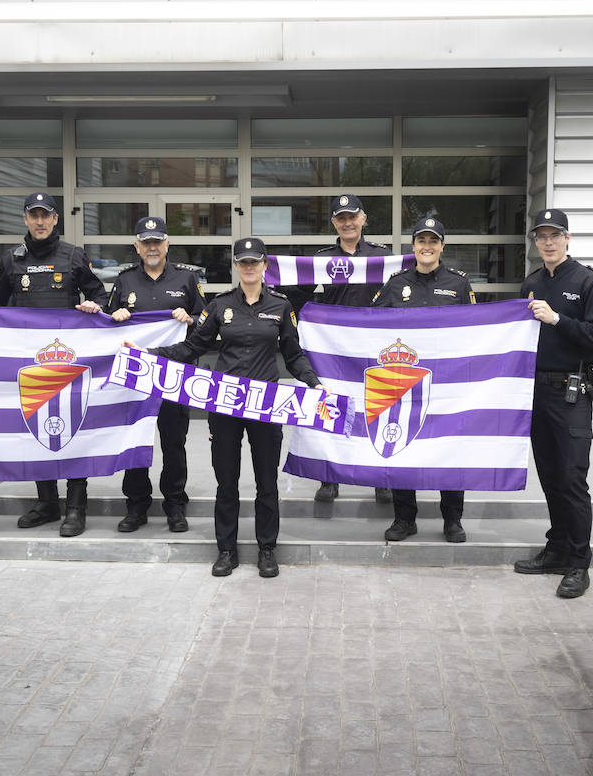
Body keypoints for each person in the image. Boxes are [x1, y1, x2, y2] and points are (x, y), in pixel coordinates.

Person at [139, 238, 326, 578]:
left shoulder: (281, 306)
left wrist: (314, 383)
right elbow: (192, 346)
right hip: (224, 404)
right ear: (237, 267)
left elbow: (294, 355)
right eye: (243, 262)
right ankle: (226, 549)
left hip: (266, 405)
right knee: (227, 482)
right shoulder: (220, 305)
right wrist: (148, 353)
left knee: (266, 481)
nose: (249, 267)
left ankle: (267, 549)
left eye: (255, 261)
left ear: (265, 265)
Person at [0, 192, 109, 537]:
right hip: (28, 362)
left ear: (55, 219)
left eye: (45, 215)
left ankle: (76, 508)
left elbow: (100, 294)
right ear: (25, 219)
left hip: (68, 359)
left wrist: (94, 305)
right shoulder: (11, 259)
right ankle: (47, 503)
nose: (40, 221)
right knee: (36, 429)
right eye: (33, 215)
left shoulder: (74, 256)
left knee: (73, 430)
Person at [514, 208, 593, 599]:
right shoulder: (532, 283)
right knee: (551, 477)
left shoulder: (588, 282)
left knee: (572, 479)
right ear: (536, 242)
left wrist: (557, 319)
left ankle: (578, 563)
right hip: (537, 391)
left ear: (567, 239)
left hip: (571, 392)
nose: (549, 242)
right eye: (542, 236)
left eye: (555, 235)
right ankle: (556, 548)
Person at [371, 217, 476, 544]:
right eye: (421, 241)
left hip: (448, 383)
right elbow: (372, 325)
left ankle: (452, 519)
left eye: (433, 241)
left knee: (450, 448)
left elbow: (476, 330)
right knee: (403, 445)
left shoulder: (459, 284)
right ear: (413, 246)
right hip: (406, 382)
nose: (427, 246)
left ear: (442, 246)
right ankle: (405, 518)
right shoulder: (395, 283)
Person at [105, 216, 206, 533]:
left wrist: (189, 319)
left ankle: (175, 504)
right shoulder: (124, 282)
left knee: (174, 443)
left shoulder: (187, 281)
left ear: (167, 245)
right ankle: (136, 505)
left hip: (174, 377)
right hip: (135, 379)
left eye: (157, 242)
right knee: (135, 439)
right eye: (146, 242)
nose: (152, 247)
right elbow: (106, 330)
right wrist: (115, 316)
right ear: (137, 246)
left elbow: (206, 325)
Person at [302, 194, 394, 506]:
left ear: (363, 219)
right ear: (333, 223)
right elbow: (296, 293)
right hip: (334, 349)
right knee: (331, 407)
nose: (347, 222)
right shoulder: (322, 259)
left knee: (378, 407)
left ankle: (381, 477)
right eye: (341, 218)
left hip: (374, 347)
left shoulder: (384, 257)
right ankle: (329, 477)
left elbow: (399, 297)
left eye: (352, 216)